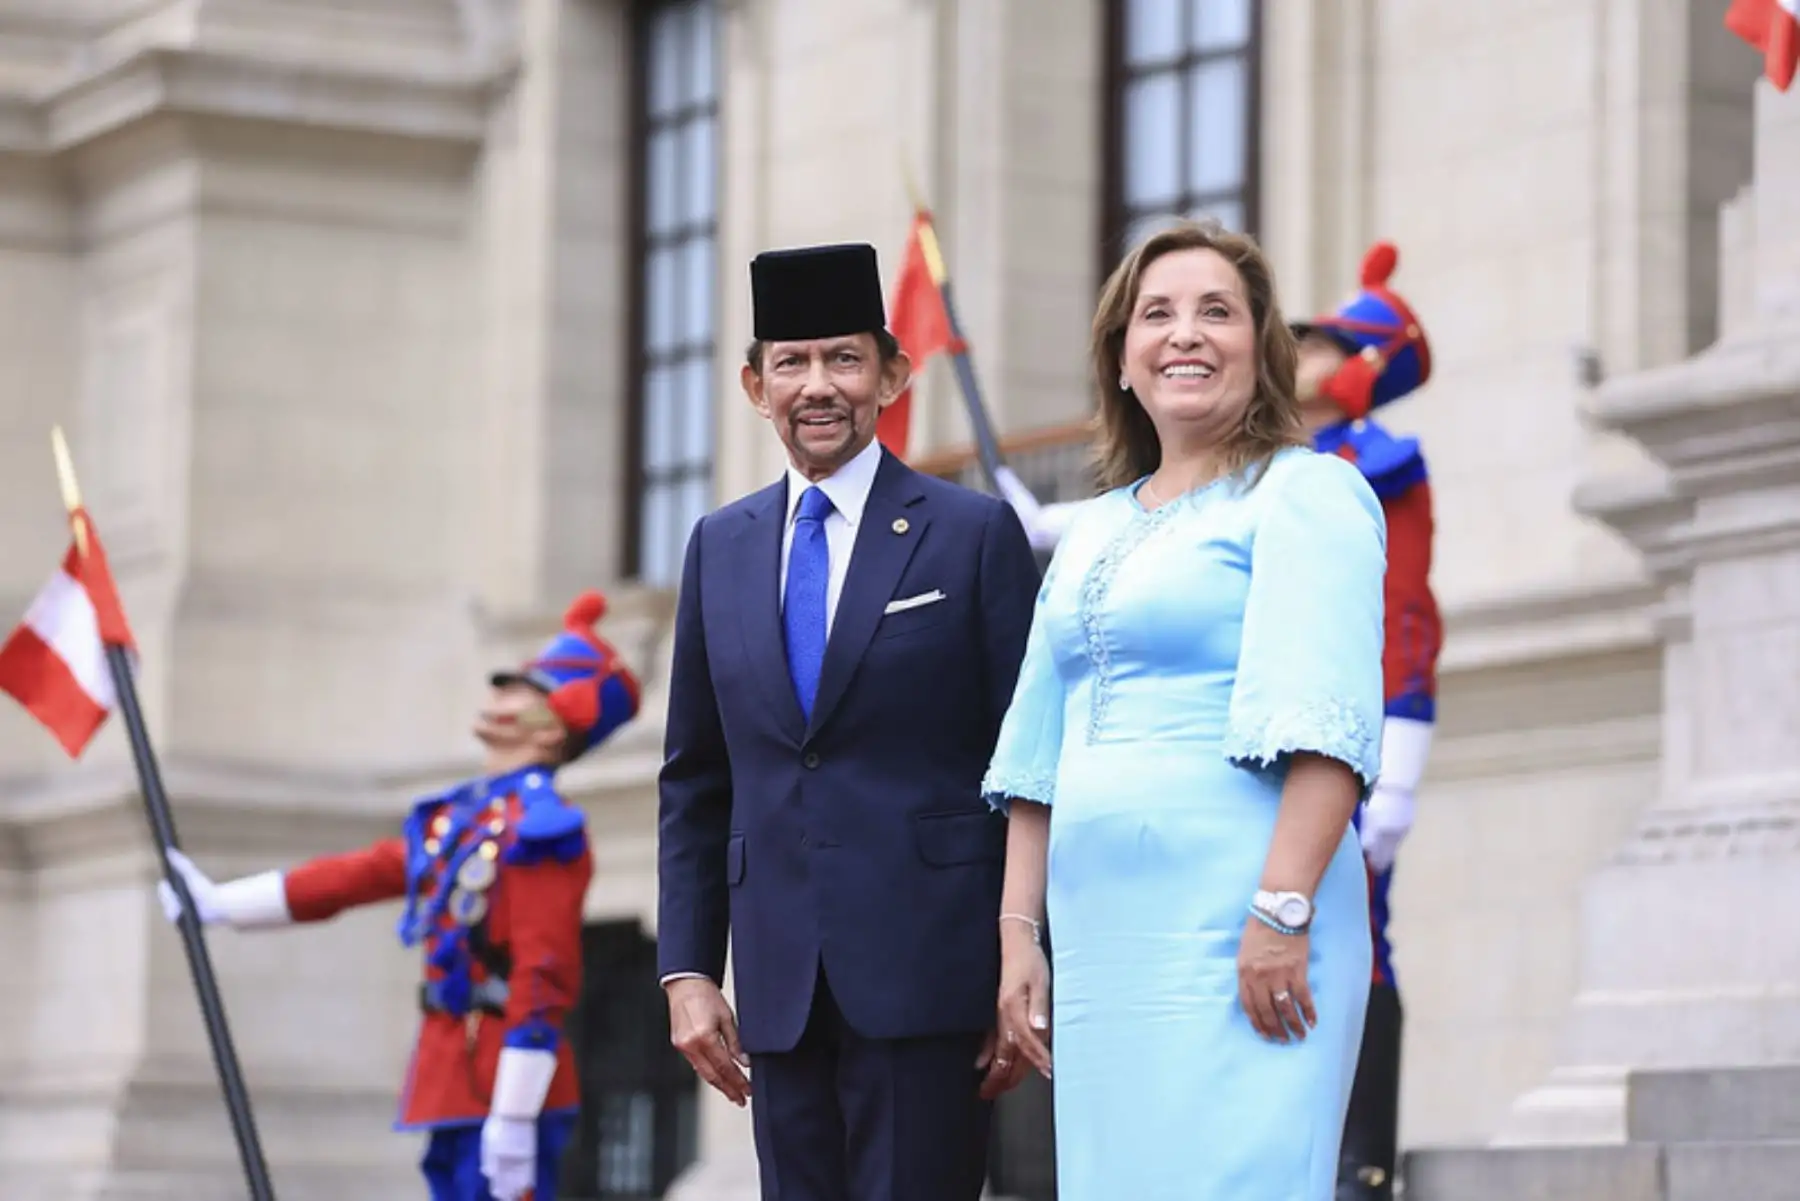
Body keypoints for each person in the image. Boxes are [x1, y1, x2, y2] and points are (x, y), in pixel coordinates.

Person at [983, 219, 1387, 1201]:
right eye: (1155, 314)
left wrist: (1281, 909)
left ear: (1262, 349)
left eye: (1218, 311)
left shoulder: (1308, 493)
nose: (1186, 333)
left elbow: (1327, 724)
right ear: (1121, 359)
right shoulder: (1090, 531)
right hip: (1106, 938)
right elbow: (1036, 755)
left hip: (1248, 923)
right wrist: (1016, 936)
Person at [656, 241, 1042, 1201]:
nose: (817, 385)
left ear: (891, 373)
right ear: (756, 384)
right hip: (780, 986)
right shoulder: (719, 547)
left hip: (932, 975)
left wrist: (1027, 952)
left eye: (843, 358)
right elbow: (696, 779)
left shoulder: (971, 531)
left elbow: (1032, 759)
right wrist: (687, 970)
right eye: (791, 362)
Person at [155, 592, 642, 1201]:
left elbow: (543, 974)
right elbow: (355, 875)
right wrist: (222, 905)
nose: (499, 695)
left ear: (554, 726)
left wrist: (515, 1116)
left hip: (500, 1078)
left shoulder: (542, 827)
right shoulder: (462, 820)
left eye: (525, 691)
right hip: (452, 1073)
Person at [1290, 241, 1442, 1201]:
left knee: (1360, 933)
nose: (1297, 348)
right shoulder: (1285, 460)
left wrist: (1404, 745)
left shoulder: (1375, 463)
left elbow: (1406, 617)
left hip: (1358, 730)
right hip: (1283, 726)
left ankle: (1363, 1162)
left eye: (1322, 341)